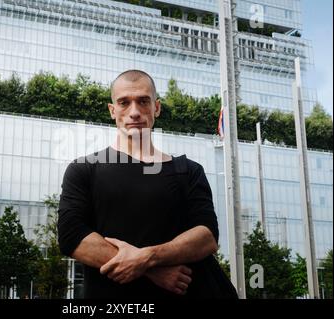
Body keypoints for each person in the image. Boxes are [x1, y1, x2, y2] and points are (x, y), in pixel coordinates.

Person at [57, 70, 221, 299]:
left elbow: (207, 236)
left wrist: (147, 258)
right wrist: (151, 270)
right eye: (124, 103)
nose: (134, 112)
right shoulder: (84, 170)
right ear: (112, 110)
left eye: (143, 101)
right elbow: (71, 237)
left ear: (157, 108)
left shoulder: (188, 171)